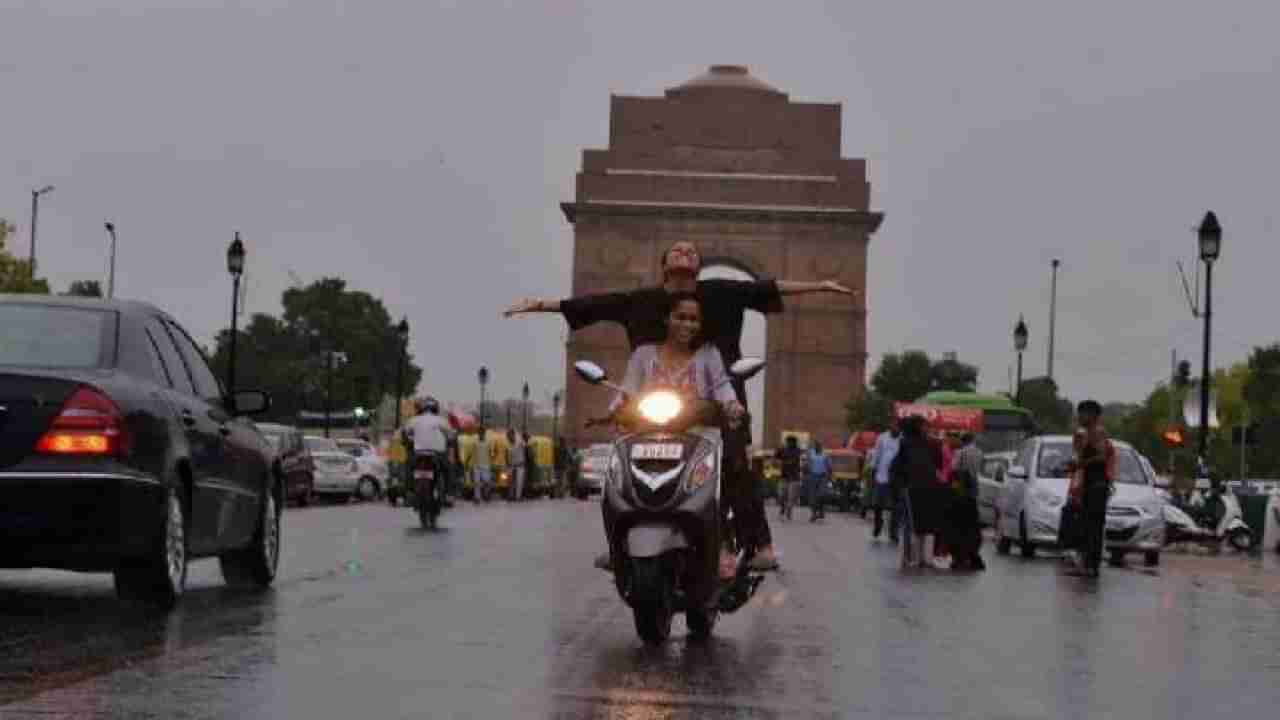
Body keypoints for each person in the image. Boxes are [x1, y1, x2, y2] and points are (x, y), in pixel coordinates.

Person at [505, 240, 856, 570]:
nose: (686, 251)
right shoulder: (639, 302)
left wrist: (820, 285)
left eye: (691, 251)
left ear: (699, 268)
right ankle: (619, 543)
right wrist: (540, 305)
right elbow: (592, 305)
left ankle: (755, 544)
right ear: (664, 266)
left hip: (717, 402)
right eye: (678, 249)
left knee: (734, 468)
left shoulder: (720, 293)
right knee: (621, 467)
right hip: (654, 404)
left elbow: (769, 287)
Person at [606, 293, 745, 578]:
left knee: (724, 480)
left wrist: (732, 404)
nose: (688, 324)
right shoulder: (643, 354)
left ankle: (721, 546)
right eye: (681, 317)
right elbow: (627, 389)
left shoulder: (709, 354)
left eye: (694, 319)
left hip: (700, 438)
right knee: (613, 481)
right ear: (667, 319)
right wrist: (615, 409)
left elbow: (722, 385)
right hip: (647, 436)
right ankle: (616, 545)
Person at [1067, 400, 1115, 578]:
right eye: (1079, 413)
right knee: (1086, 526)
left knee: (1093, 527)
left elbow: (1101, 456)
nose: (1079, 417)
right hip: (1089, 485)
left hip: (1097, 486)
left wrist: (1081, 463)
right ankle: (1086, 563)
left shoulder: (1097, 432)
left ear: (1093, 416)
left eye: (1083, 413)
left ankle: (1091, 566)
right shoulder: (1085, 433)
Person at [891, 416, 944, 570]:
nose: (927, 428)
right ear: (917, 427)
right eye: (924, 425)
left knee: (917, 524)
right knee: (917, 523)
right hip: (917, 488)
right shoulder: (918, 443)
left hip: (919, 487)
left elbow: (898, 467)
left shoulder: (921, 443)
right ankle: (916, 557)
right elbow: (937, 464)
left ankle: (918, 557)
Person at [404, 397, 455, 514]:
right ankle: (448, 494)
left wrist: (411, 440)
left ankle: (409, 492)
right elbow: (450, 434)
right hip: (437, 454)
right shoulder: (441, 420)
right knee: (448, 470)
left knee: (408, 468)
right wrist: (449, 440)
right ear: (436, 409)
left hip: (418, 453)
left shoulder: (414, 420)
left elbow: (406, 433)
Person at [945, 432, 986, 571]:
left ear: (963, 441)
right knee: (972, 523)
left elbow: (954, 468)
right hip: (974, 491)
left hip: (961, 492)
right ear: (973, 440)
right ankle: (971, 553)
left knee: (959, 523)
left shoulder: (960, 452)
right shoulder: (980, 452)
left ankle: (959, 556)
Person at [867, 421, 902, 542]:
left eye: (897, 426)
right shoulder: (882, 437)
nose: (895, 428)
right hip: (881, 476)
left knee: (896, 507)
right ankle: (878, 523)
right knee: (877, 504)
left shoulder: (903, 439)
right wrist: (872, 470)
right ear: (890, 426)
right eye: (893, 425)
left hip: (897, 479)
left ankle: (894, 531)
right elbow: (876, 455)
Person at [804, 441, 832, 522]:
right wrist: (806, 471)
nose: (817, 447)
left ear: (821, 447)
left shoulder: (825, 454)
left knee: (821, 495)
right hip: (812, 476)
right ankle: (813, 514)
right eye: (816, 446)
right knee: (812, 497)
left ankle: (821, 510)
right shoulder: (810, 453)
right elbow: (806, 464)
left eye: (819, 446)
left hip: (823, 477)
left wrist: (829, 476)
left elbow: (829, 466)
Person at [776, 436, 803, 520]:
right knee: (781, 496)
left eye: (791, 442)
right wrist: (779, 449)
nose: (789, 443)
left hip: (794, 478)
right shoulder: (783, 450)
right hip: (784, 477)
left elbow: (801, 459)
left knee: (791, 497)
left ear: (794, 443)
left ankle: (789, 511)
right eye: (788, 442)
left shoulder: (798, 451)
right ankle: (783, 508)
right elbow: (776, 456)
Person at [469, 427, 494, 503]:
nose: (481, 434)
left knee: (487, 481)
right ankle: (477, 498)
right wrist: (470, 463)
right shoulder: (475, 443)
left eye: (482, 433)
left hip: (486, 465)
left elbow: (491, 453)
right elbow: (472, 453)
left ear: (484, 433)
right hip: (476, 465)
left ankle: (486, 495)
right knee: (476, 482)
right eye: (479, 433)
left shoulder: (488, 442)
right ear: (478, 433)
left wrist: (491, 463)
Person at [507, 429, 527, 501]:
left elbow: (525, 446)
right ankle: (511, 496)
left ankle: (518, 497)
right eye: (508, 436)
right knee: (510, 481)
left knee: (519, 482)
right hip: (512, 465)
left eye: (510, 436)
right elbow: (507, 455)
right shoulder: (508, 444)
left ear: (513, 435)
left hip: (520, 465)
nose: (508, 438)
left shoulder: (519, 442)